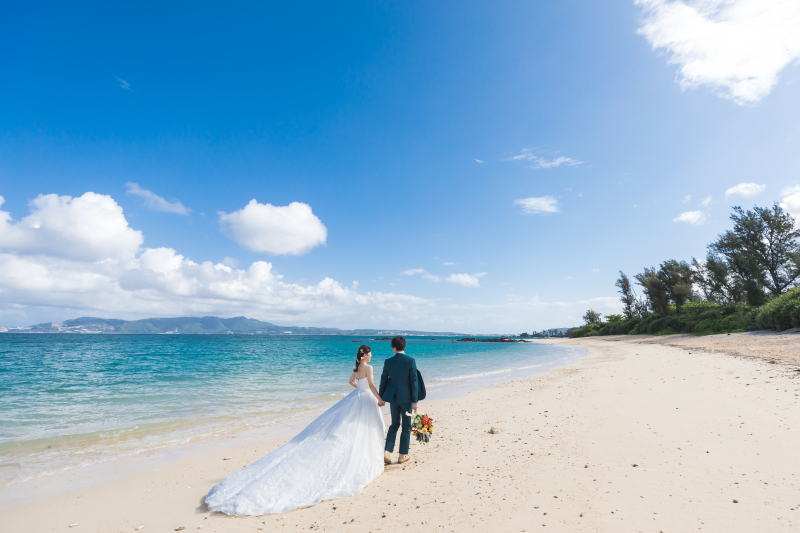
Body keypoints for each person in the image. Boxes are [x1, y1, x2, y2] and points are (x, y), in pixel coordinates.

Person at [204, 345, 385, 516]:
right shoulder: (368, 368)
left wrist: (358, 389)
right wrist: (379, 399)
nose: (371, 356)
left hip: (356, 397)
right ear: (365, 355)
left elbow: (351, 382)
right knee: (361, 428)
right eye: (370, 353)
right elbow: (371, 385)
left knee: (350, 428)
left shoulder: (356, 368)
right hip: (365, 398)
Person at [378, 335, 419, 465]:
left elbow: (383, 380)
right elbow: (414, 382)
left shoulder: (388, 362)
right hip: (407, 399)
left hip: (394, 398)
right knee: (406, 426)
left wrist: (381, 397)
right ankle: (402, 455)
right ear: (404, 346)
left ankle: (387, 452)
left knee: (394, 424)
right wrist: (415, 401)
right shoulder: (411, 361)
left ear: (394, 348)